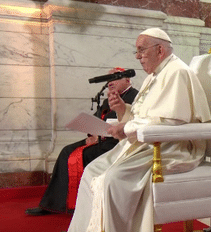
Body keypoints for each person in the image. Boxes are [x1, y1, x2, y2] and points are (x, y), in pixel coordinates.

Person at [64, 28, 211, 232]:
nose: (137, 56)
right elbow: (147, 115)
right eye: (137, 51)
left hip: (170, 146)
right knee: (91, 170)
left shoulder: (177, 72)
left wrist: (126, 129)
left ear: (159, 50)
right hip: (147, 142)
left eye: (141, 50)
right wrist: (124, 110)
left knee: (114, 179)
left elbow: (171, 121)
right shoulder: (154, 76)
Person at [25, 67, 138, 216]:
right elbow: (96, 119)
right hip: (101, 140)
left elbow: (132, 121)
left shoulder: (135, 96)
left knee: (80, 157)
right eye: (108, 79)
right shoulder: (106, 100)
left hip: (117, 143)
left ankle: (79, 209)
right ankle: (52, 204)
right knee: (66, 151)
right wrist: (92, 134)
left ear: (127, 80)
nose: (110, 81)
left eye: (115, 77)